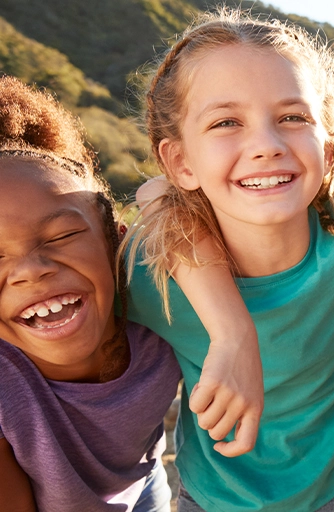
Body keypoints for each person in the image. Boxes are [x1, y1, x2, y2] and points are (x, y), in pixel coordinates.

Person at [122, 10, 334, 511]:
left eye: (293, 117)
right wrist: (233, 331)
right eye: (227, 122)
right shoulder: (148, 274)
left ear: (328, 154)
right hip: (213, 500)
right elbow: (153, 193)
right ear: (181, 162)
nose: (266, 146)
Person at [0, 76, 181, 511]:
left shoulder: (167, 301)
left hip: (143, 484)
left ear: (116, 241)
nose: (30, 271)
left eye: (61, 235)